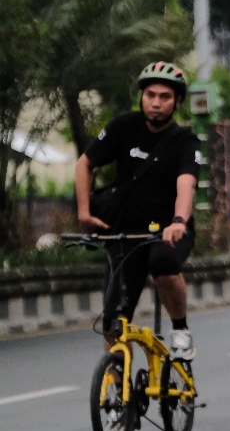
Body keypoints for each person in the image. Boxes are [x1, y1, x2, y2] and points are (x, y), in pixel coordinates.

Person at [75, 61, 200, 360]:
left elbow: (186, 184)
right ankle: (119, 382)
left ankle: (180, 330)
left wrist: (179, 221)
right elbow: (84, 163)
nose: (156, 103)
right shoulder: (123, 126)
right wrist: (84, 213)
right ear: (141, 97)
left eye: (165, 97)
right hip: (125, 232)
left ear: (177, 101)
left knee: (163, 261)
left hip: (168, 231)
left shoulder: (185, 140)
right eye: (150, 95)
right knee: (112, 322)